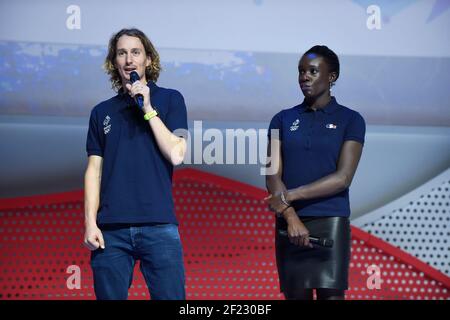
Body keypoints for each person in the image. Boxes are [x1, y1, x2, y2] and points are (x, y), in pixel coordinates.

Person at [83, 28, 188, 300]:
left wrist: (148, 109)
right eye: (121, 53)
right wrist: (90, 223)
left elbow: (177, 154)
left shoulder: (171, 99)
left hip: (159, 226)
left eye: (135, 52)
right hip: (111, 231)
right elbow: (94, 171)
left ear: (148, 60)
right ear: (114, 62)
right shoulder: (102, 112)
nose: (129, 59)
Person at [265, 45, 365, 300]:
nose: (304, 77)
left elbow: (343, 178)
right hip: (290, 225)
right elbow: (271, 175)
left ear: (331, 77)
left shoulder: (351, 120)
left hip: (330, 223)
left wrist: (290, 196)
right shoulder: (281, 119)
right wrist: (291, 217)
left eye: (312, 71)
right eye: (301, 71)